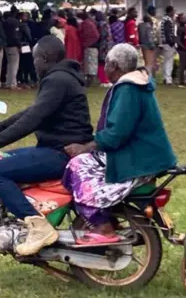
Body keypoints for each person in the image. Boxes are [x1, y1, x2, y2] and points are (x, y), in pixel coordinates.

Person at [0, 35, 94, 256]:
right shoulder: (62, 77)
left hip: (60, 152)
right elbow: (32, 111)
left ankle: (39, 228)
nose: (34, 62)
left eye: (35, 58)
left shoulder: (58, 80)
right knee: (4, 159)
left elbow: (32, 120)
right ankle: (12, 221)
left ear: (45, 58)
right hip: (56, 148)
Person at [62, 44, 176, 243]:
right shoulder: (136, 84)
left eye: (105, 63)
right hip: (145, 155)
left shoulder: (128, 89)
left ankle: (103, 226)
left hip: (138, 160)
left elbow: (116, 134)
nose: (104, 68)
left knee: (77, 166)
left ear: (113, 65)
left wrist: (85, 147)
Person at [17, 11, 36, 87]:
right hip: (25, 45)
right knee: (27, 62)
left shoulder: (20, 24)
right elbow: (29, 36)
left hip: (23, 45)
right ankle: (27, 79)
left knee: (24, 63)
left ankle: (24, 79)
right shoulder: (24, 25)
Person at [3, 9, 21, 90]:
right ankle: (13, 83)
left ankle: (8, 82)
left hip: (7, 45)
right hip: (13, 45)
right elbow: (15, 35)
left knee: (9, 64)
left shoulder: (5, 21)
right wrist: (19, 44)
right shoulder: (15, 22)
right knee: (14, 65)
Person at [159, 6, 176, 84]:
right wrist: (171, 43)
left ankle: (165, 78)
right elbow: (168, 32)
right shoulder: (168, 20)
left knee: (166, 61)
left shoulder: (163, 19)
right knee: (169, 62)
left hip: (164, 42)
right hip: (168, 43)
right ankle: (168, 79)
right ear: (170, 11)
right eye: (173, 11)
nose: (174, 13)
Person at [95, 12, 113, 87]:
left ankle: (103, 79)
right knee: (104, 62)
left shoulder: (98, 24)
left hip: (102, 45)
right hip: (105, 45)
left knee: (101, 62)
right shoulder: (104, 24)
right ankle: (104, 80)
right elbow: (105, 35)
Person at [144, 6, 160, 72]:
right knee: (152, 61)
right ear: (151, 11)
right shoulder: (153, 20)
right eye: (154, 10)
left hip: (146, 43)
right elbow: (156, 32)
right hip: (153, 43)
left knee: (149, 61)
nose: (155, 12)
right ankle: (152, 77)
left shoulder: (144, 19)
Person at [176, 13, 186, 87]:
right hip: (182, 49)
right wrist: (183, 47)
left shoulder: (185, 26)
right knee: (182, 65)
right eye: (183, 18)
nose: (185, 19)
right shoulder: (180, 28)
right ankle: (181, 81)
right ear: (180, 20)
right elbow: (178, 40)